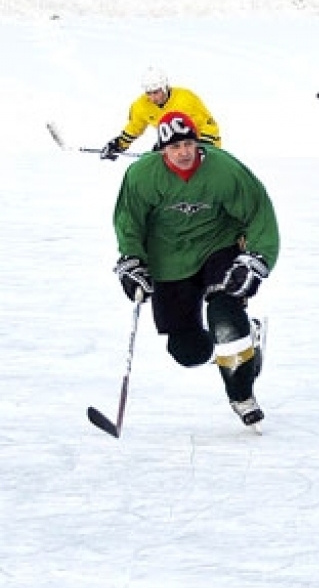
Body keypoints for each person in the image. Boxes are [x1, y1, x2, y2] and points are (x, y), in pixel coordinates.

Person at [112, 111, 279, 430]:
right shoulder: (141, 176)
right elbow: (128, 223)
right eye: (175, 147)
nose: (184, 152)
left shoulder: (224, 170)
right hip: (167, 259)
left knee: (225, 318)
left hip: (218, 245)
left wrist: (257, 260)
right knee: (188, 352)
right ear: (162, 150)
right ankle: (247, 343)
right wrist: (131, 261)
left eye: (189, 143)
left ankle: (242, 396)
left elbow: (259, 213)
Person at [101, 66, 221, 161]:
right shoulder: (141, 105)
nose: (152, 98)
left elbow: (209, 126)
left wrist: (203, 147)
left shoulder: (186, 99)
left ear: (165, 87)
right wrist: (118, 144)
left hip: (202, 144)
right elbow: (134, 127)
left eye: (156, 92)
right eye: (148, 93)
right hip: (174, 145)